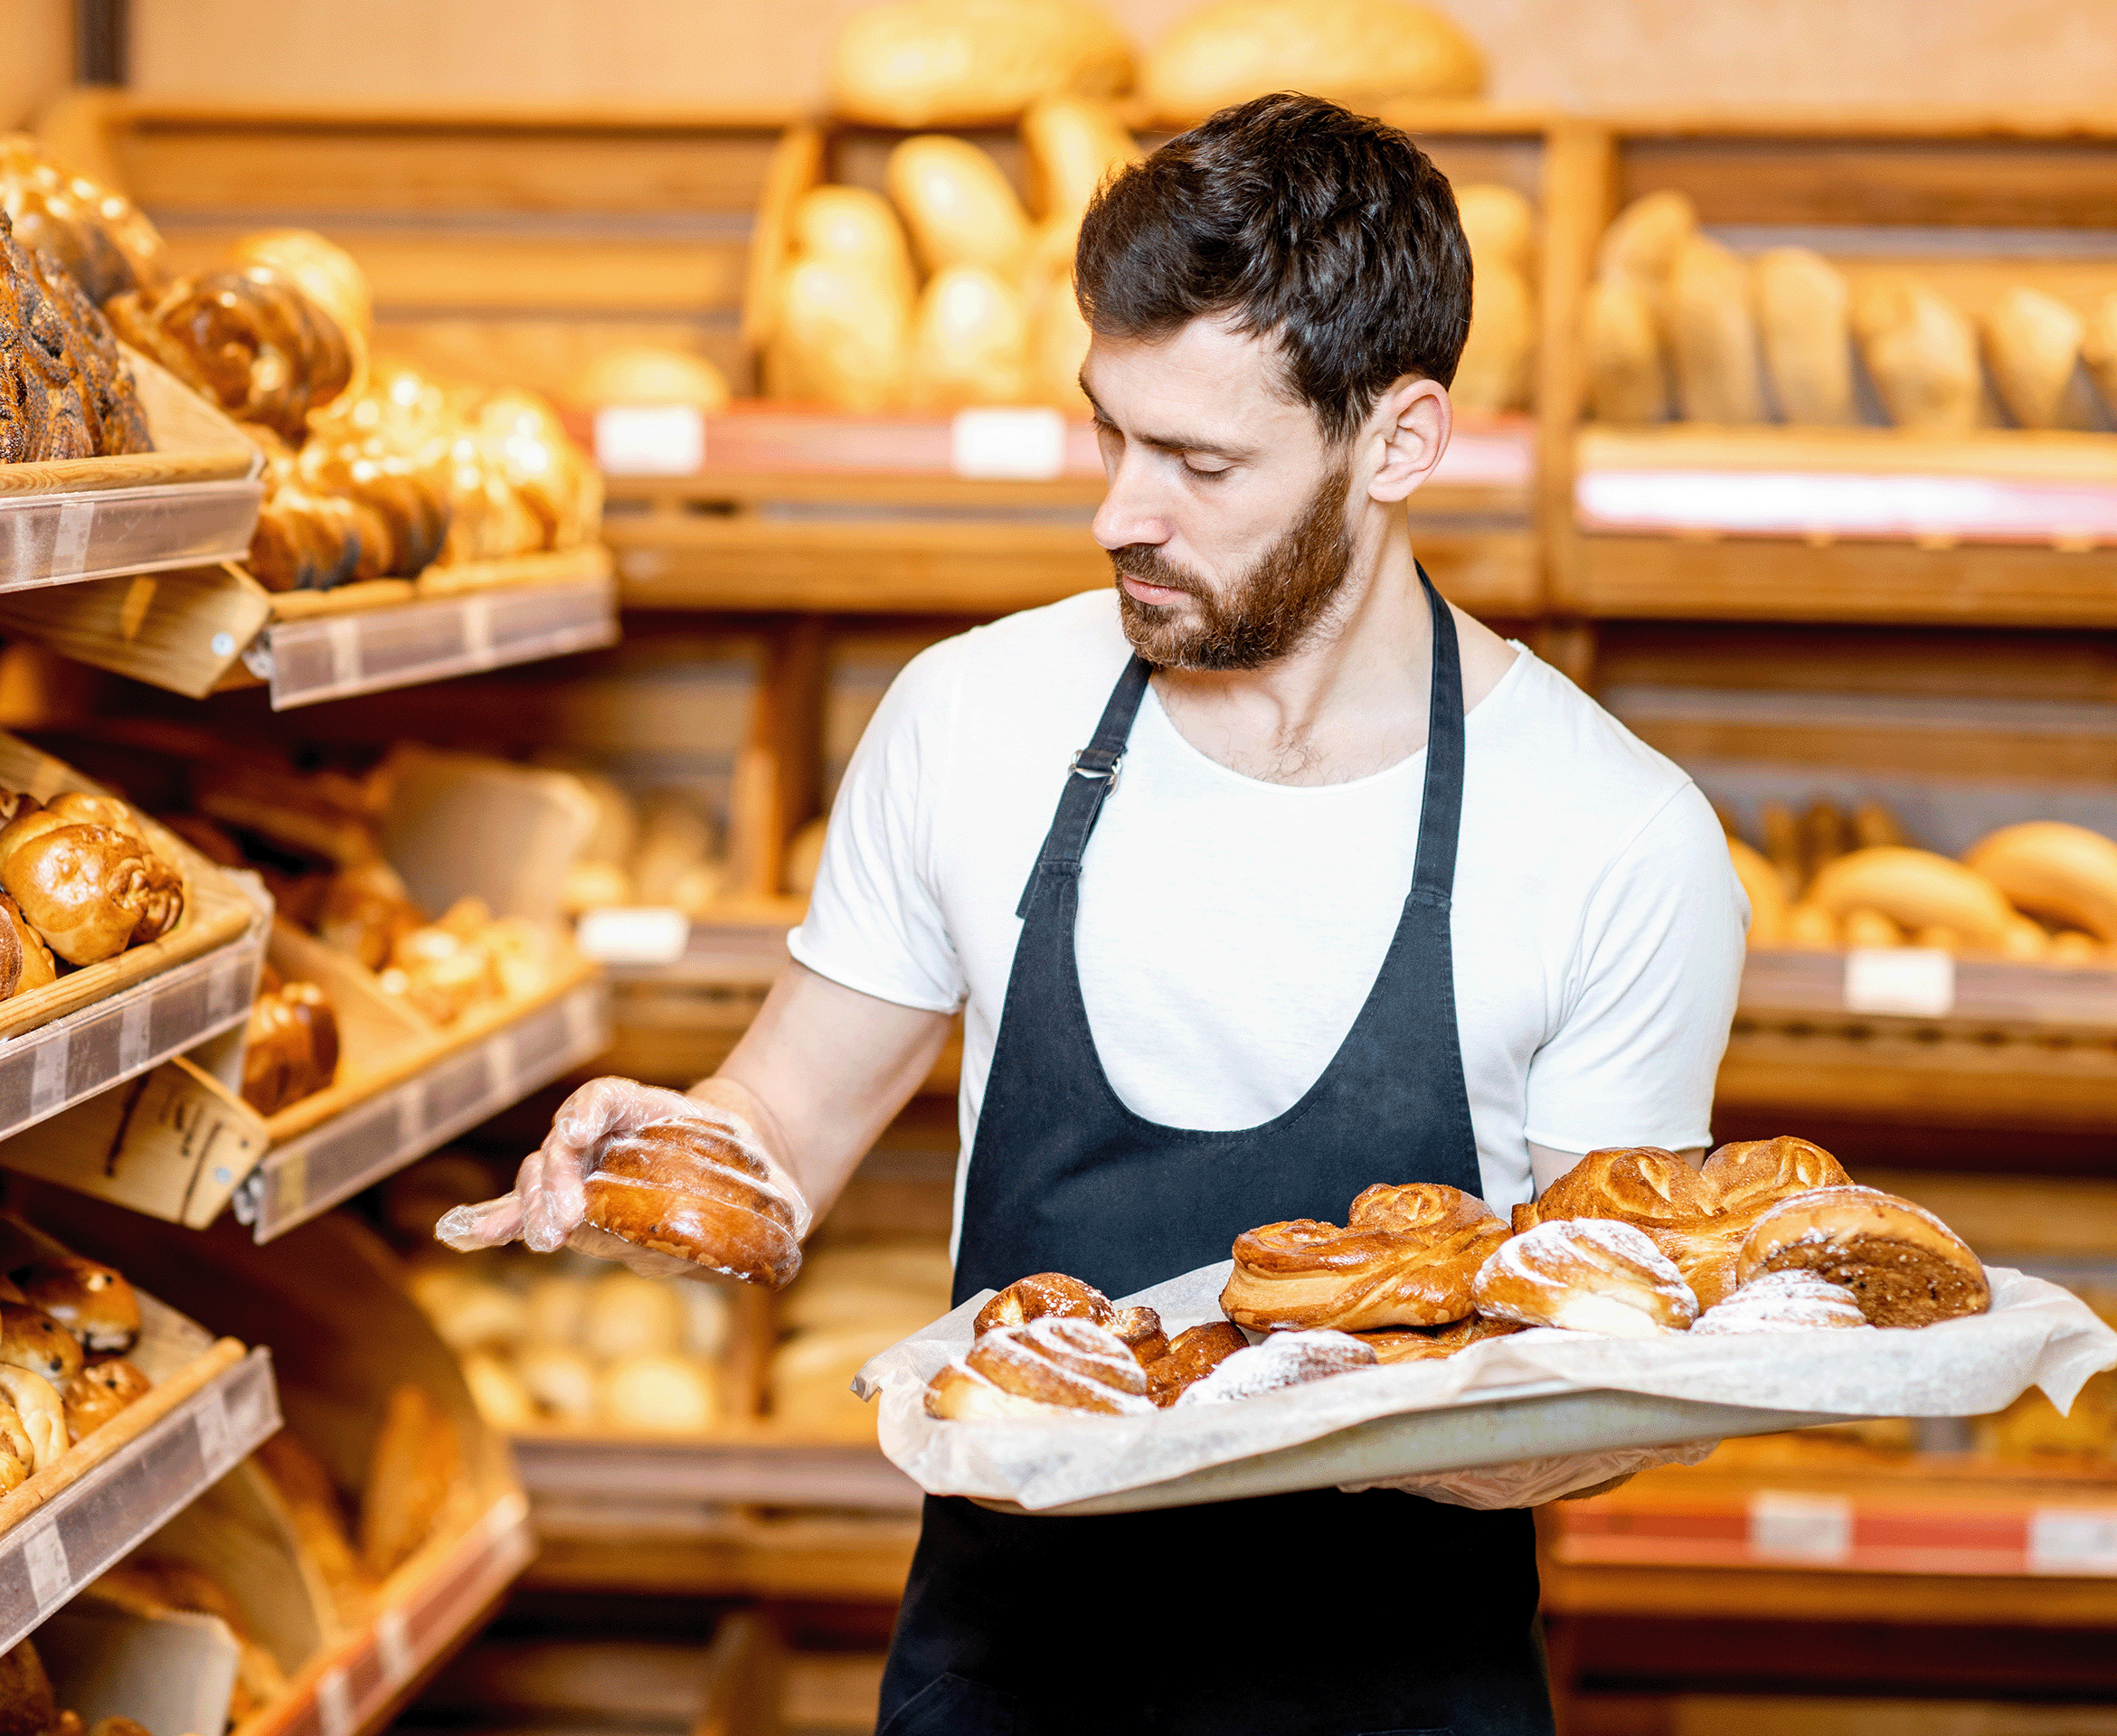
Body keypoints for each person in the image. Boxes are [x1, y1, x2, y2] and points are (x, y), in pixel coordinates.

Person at [448, 93, 1744, 1732]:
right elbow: (786, 1124)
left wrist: (1313, 1400)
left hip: (1394, 1694)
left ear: (1400, 442)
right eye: (1109, 434)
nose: (1120, 513)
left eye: (1201, 461)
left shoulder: (1612, 836)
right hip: (1005, 1682)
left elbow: (1612, 1361)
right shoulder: (970, 721)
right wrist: (673, 1161)